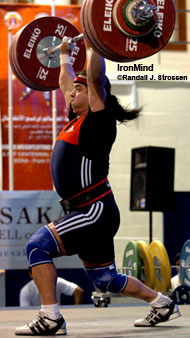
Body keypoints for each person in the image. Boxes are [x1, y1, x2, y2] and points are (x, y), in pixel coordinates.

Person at [15, 37, 181, 336]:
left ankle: (51, 318)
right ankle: (163, 303)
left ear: (93, 93)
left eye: (80, 90)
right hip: (91, 210)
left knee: (37, 246)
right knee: (105, 279)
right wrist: (64, 55)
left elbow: (93, 79)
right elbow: (66, 82)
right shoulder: (74, 120)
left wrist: (96, 44)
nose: (71, 93)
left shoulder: (97, 122)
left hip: (94, 210)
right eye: (73, 90)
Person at [19, 268, 83, 307]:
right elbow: (25, 312)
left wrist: (77, 311)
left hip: (56, 320)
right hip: (38, 322)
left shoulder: (56, 281)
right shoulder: (26, 291)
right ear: (31, 274)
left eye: (42, 271)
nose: (41, 274)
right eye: (37, 272)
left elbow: (78, 291)